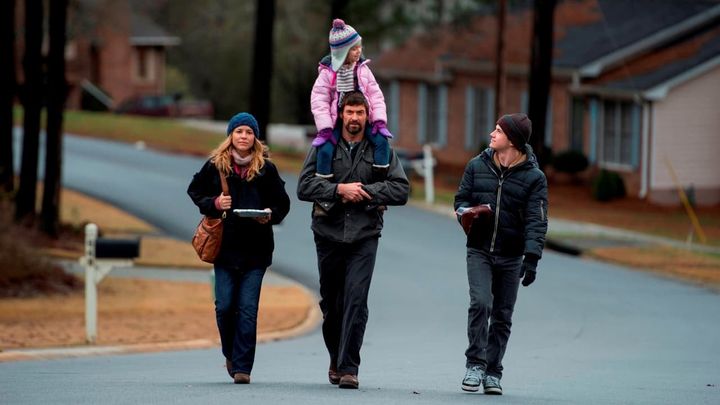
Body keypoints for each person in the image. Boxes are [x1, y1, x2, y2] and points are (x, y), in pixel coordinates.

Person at [297, 91, 409, 389]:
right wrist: (338, 190)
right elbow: (304, 186)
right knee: (332, 304)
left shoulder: (381, 148)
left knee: (356, 301)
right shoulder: (323, 146)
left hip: (365, 234)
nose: (355, 118)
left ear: (367, 115)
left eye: (360, 113)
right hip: (328, 233)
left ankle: (349, 368)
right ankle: (335, 357)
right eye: (350, 112)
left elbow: (401, 190)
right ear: (341, 114)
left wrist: (367, 193)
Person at [187, 112, 290, 385]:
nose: (244, 136)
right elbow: (194, 191)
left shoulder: (266, 169)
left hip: (256, 251)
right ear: (230, 135)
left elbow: (283, 204)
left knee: (247, 309)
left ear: (255, 137)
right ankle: (230, 353)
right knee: (224, 306)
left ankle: (243, 367)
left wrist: (269, 213)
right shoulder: (215, 166)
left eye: (248, 132)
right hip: (225, 249)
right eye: (239, 131)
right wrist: (214, 203)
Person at [454, 113, 548, 395]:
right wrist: (468, 214)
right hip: (479, 249)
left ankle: (493, 372)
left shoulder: (535, 178)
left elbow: (537, 219)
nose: (492, 134)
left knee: (503, 315)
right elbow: (460, 200)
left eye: (498, 130)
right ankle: (475, 364)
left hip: (511, 254)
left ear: (513, 140)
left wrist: (532, 258)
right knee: (480, 303)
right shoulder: (476, 165)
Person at [310, 18, 392, 179]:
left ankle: (379, 175)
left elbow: (376, 95)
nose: (358, 51)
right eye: (353, 49)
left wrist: (378, 120)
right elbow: (319, 100)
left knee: (382, 141)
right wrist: (325, 127)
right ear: (342, 52)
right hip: (335, 120)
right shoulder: (328, 73)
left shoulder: (363, 70)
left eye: (359, 47)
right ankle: (324, 180)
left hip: (361, 118)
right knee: (325, 149)